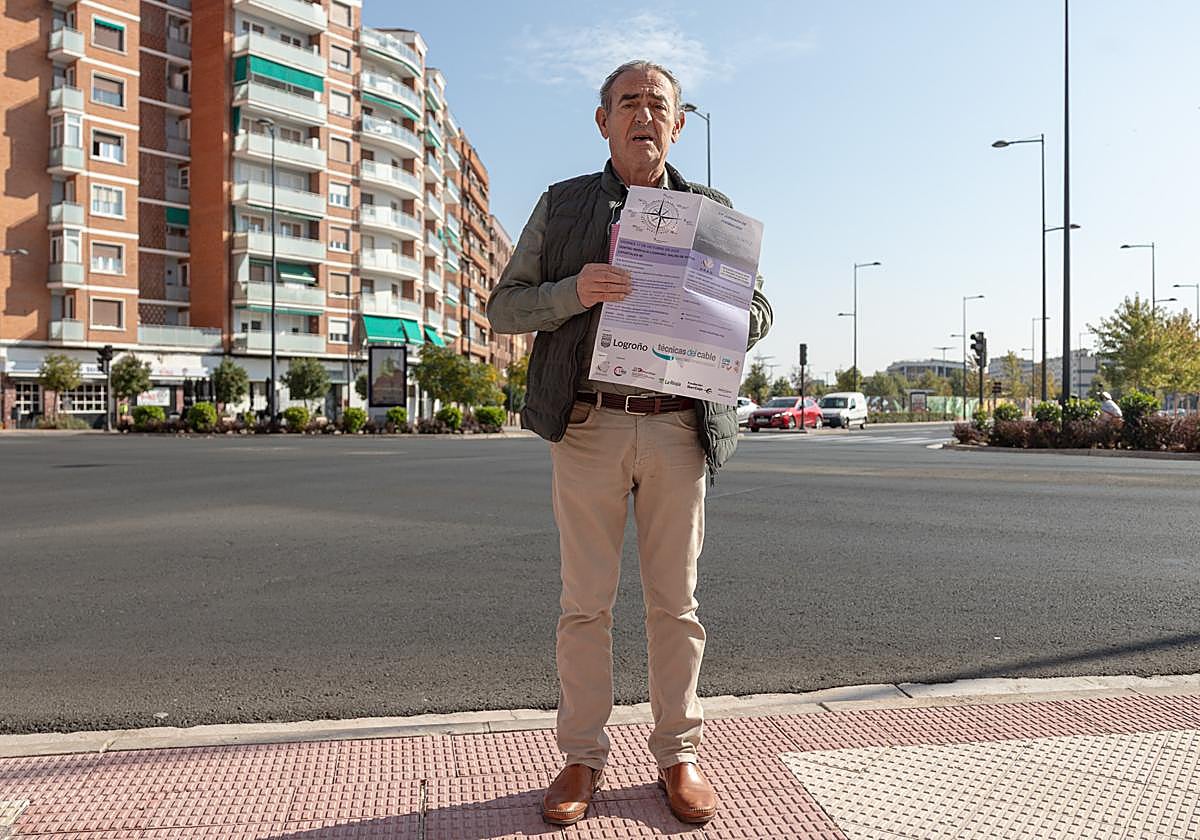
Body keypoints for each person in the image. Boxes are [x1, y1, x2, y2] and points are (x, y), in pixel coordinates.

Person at [487, 60, 772, 826]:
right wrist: (574, 290)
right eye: (628, 103)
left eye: (658, 105)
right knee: (585, 605)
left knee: (674, 604)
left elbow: (761, 314)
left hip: (678, 426)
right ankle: (581, 757)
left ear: (678, 125)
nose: (643, 115)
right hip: (588, 426)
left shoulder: (711, 211)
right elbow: (502, 310)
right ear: (602, 120)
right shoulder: (564, 205)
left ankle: (678, 756)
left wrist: (715, 306)